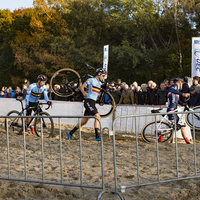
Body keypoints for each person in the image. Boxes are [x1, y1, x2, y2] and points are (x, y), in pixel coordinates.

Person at [67, 68, 107, 141]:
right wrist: (84, 93)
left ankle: (70, 132)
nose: (103, 77)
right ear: (99, 74)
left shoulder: (100, 83)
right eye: (103, 76)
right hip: (88, 101)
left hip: (93, 102)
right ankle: (97, 136)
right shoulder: (91, 80)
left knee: (84, 122)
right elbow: (82, 87)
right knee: (98, 116)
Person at [159, 78, 191, 144]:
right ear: (179, 82)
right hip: (172, 110)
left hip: (173, 110)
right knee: (170, 127)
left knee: (181, 125)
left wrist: (183, 104)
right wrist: (183, 94)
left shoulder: (176, 91)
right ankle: (160, 139)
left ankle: (187, 141)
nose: (182, 86)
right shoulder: (175, 86)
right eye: (182, 84)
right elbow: (171, 89)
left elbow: (177, 101)